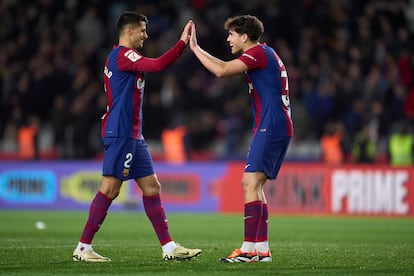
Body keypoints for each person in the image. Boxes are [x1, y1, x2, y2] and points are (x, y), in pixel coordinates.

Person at [72, 11, 201, 262]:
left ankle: (169, 247)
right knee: (110, 189)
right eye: (142, 30)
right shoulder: (123, 55)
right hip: (121, 132)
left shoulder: (120, 57)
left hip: (132, 134)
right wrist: (182, 43)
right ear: (128, 31)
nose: (146, 35)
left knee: (152, 187)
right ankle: (83, 247)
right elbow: (158, 65)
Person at [189, 15, 293, 263]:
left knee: (248, 183)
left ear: (244, 36)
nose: (228, 39)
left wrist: (194, 48)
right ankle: (261, 249)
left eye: (232, 35)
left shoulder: (258, 53)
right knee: (255, 185)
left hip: (271, 125)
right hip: (275, 125)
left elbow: (222, 70)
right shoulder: (265, 53)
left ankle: (247, 249)